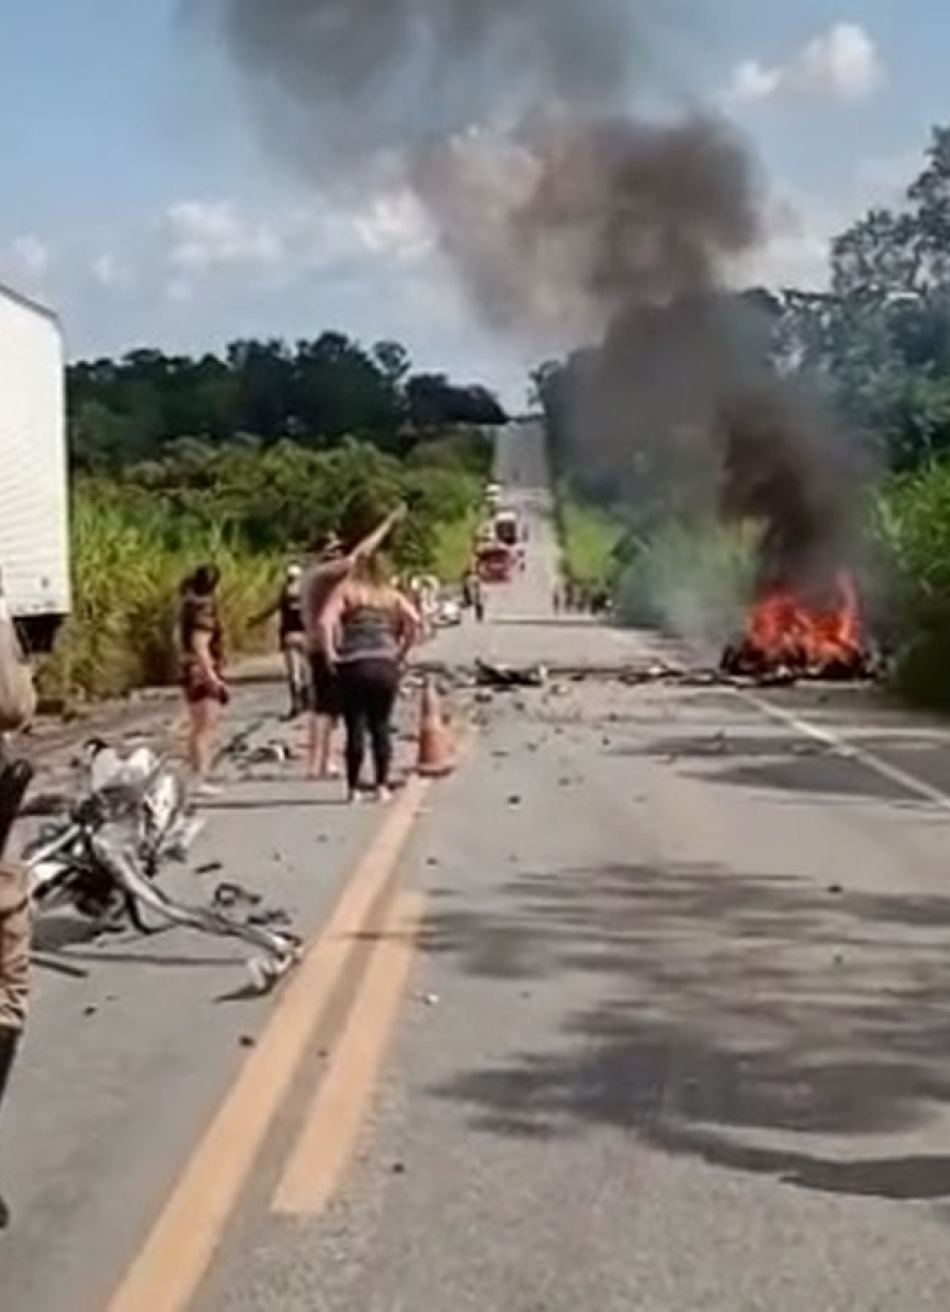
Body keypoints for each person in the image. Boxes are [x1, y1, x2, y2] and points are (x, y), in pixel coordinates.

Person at [302, 507, 405, 781]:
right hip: (324, 647)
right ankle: (317, 763)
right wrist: (387, 524)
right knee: (325, 708)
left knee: (328, 707)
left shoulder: (314, 577)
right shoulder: (321, 575)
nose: (338, 555)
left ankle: (321, 760)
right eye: (332, 551)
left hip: (319, 644)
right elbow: (360, 555)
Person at [320, 552, 421, 804]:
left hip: (353, 664)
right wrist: (401, 652)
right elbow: (415, 620)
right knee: (381, 726)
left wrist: (330, 653)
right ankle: (381, 786)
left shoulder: (347, 591)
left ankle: (353, 788)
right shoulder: (390, 595)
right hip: (385, 663)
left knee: (354, 726)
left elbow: (324, 622)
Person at [178, 565, 228, 796]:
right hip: (201, 672)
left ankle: (196, 776)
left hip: (190, 670)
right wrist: (212, 676)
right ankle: (199, 778)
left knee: (198, 728)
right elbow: (200, 645)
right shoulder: (204, 609)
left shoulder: (187, 605)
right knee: (204, 728)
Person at [251, 564, 309, 718]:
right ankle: (307, 700)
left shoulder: (284, 595)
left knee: (294, 672)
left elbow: (270, 609)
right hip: (305, 636)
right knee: (306, 670)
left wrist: (255, 620)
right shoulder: (307, 595)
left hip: (289, 636)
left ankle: (296, 703)